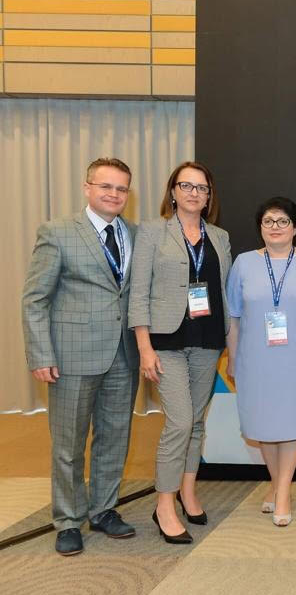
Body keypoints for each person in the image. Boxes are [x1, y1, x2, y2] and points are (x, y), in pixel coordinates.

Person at [22, 157, 140, 556]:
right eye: (106, 186)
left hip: (123, 354)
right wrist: (41, 353)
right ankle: (69, 520)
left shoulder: (134, 234)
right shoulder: (56, 232)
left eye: (121, 188)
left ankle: (103, 509)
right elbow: (35, 299)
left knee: (115, 437)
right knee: (68, 444)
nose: (114, 194)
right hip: (71, 356)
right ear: (87, 188)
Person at [129, 161, 231, 544]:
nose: (194, 193)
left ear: (209, 197)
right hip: (165, 341)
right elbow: (138, 292)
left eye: (202, 188)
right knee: (180, 422)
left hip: (208, 339)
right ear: (173, 191)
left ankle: (188, 492)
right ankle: (164, 505)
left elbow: (224, 292)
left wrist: (232, 342)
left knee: (197, 422)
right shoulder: (152, 232)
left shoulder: (219, 236)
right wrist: (144, 347)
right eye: (186, 185)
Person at [225, 197, 296, 526]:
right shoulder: (243, 263)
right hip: (255, 359)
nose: (275, 227)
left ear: (295, 228)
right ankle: (276, 483)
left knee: (294, 424)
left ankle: (282, 492)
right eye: (268, 221)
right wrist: (232, 357)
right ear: (260, 227)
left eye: (283, 221)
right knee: (263, 426)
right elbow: (233, 317)